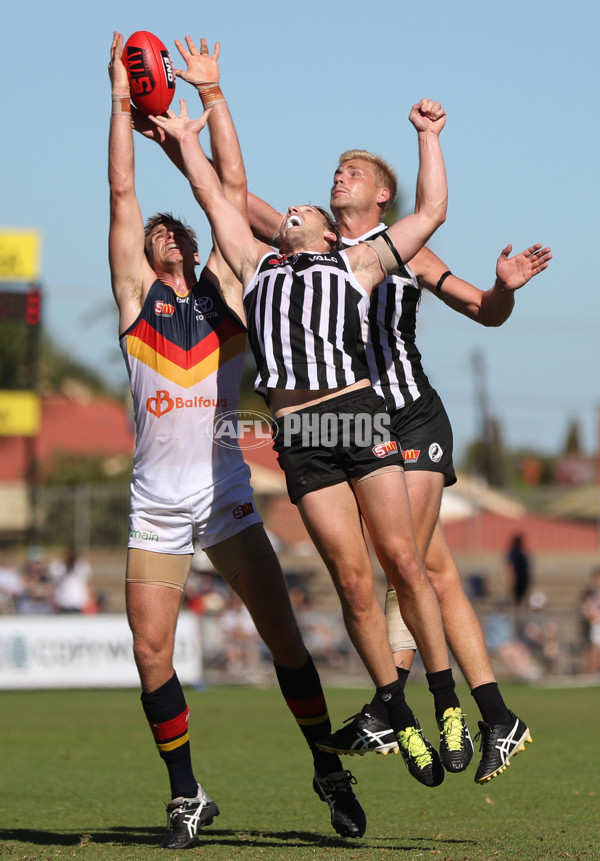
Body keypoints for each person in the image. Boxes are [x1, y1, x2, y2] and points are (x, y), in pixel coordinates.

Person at [151, 89, 466, 791]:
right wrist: (181, 133)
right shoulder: (255, 263)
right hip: (303, 435)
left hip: (356, 415)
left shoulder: (354, 265)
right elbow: (211, 188)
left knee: (401, 564)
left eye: (307, 211)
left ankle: (447, 703)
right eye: (288, 210)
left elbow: (432, 212)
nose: (293, 209)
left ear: (328, 235)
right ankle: (398, 712)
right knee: (353, 583)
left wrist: (429, 137)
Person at [108, 32, 365, 847]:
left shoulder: (228, 300)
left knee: (283, 638)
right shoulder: (135, 303)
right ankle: (187, 793)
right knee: (151, 651)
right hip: (156, 503)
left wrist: (214, 98)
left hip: (224, 499)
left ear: (192, 245)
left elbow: (237, 188)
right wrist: (121, 99)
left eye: (174, 231)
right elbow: (121, 189)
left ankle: (330, 767)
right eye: (153, 235)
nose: (161, 234)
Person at [247, 148, 546, 783]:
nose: (338, 177)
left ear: (384, 196)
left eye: (354, 172)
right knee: (430, 567)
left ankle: (392, 704)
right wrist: (185, 138)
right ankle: (495, 715)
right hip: (356, 424)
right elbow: (231, 196)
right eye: (337, 171)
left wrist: (502, 288)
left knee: (402, 559)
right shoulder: (315, 246)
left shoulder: (405, 248)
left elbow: (485, 311)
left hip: (409, 417)